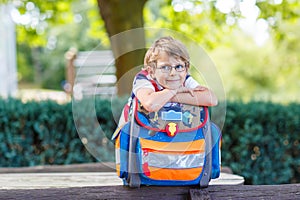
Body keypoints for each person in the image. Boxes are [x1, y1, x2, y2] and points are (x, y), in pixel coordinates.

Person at [117, 36, 218, 126]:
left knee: (213, 132)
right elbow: (151, 104)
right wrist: (174, 90)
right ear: (151, 71)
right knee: (125, 137)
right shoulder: (143, 79)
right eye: (165, 67)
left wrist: (170, 97)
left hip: (172, 130)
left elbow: (211, 99)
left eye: (178, 66)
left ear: (186, 68)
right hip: (138, 130)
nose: (173, 73)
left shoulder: (183, 77)